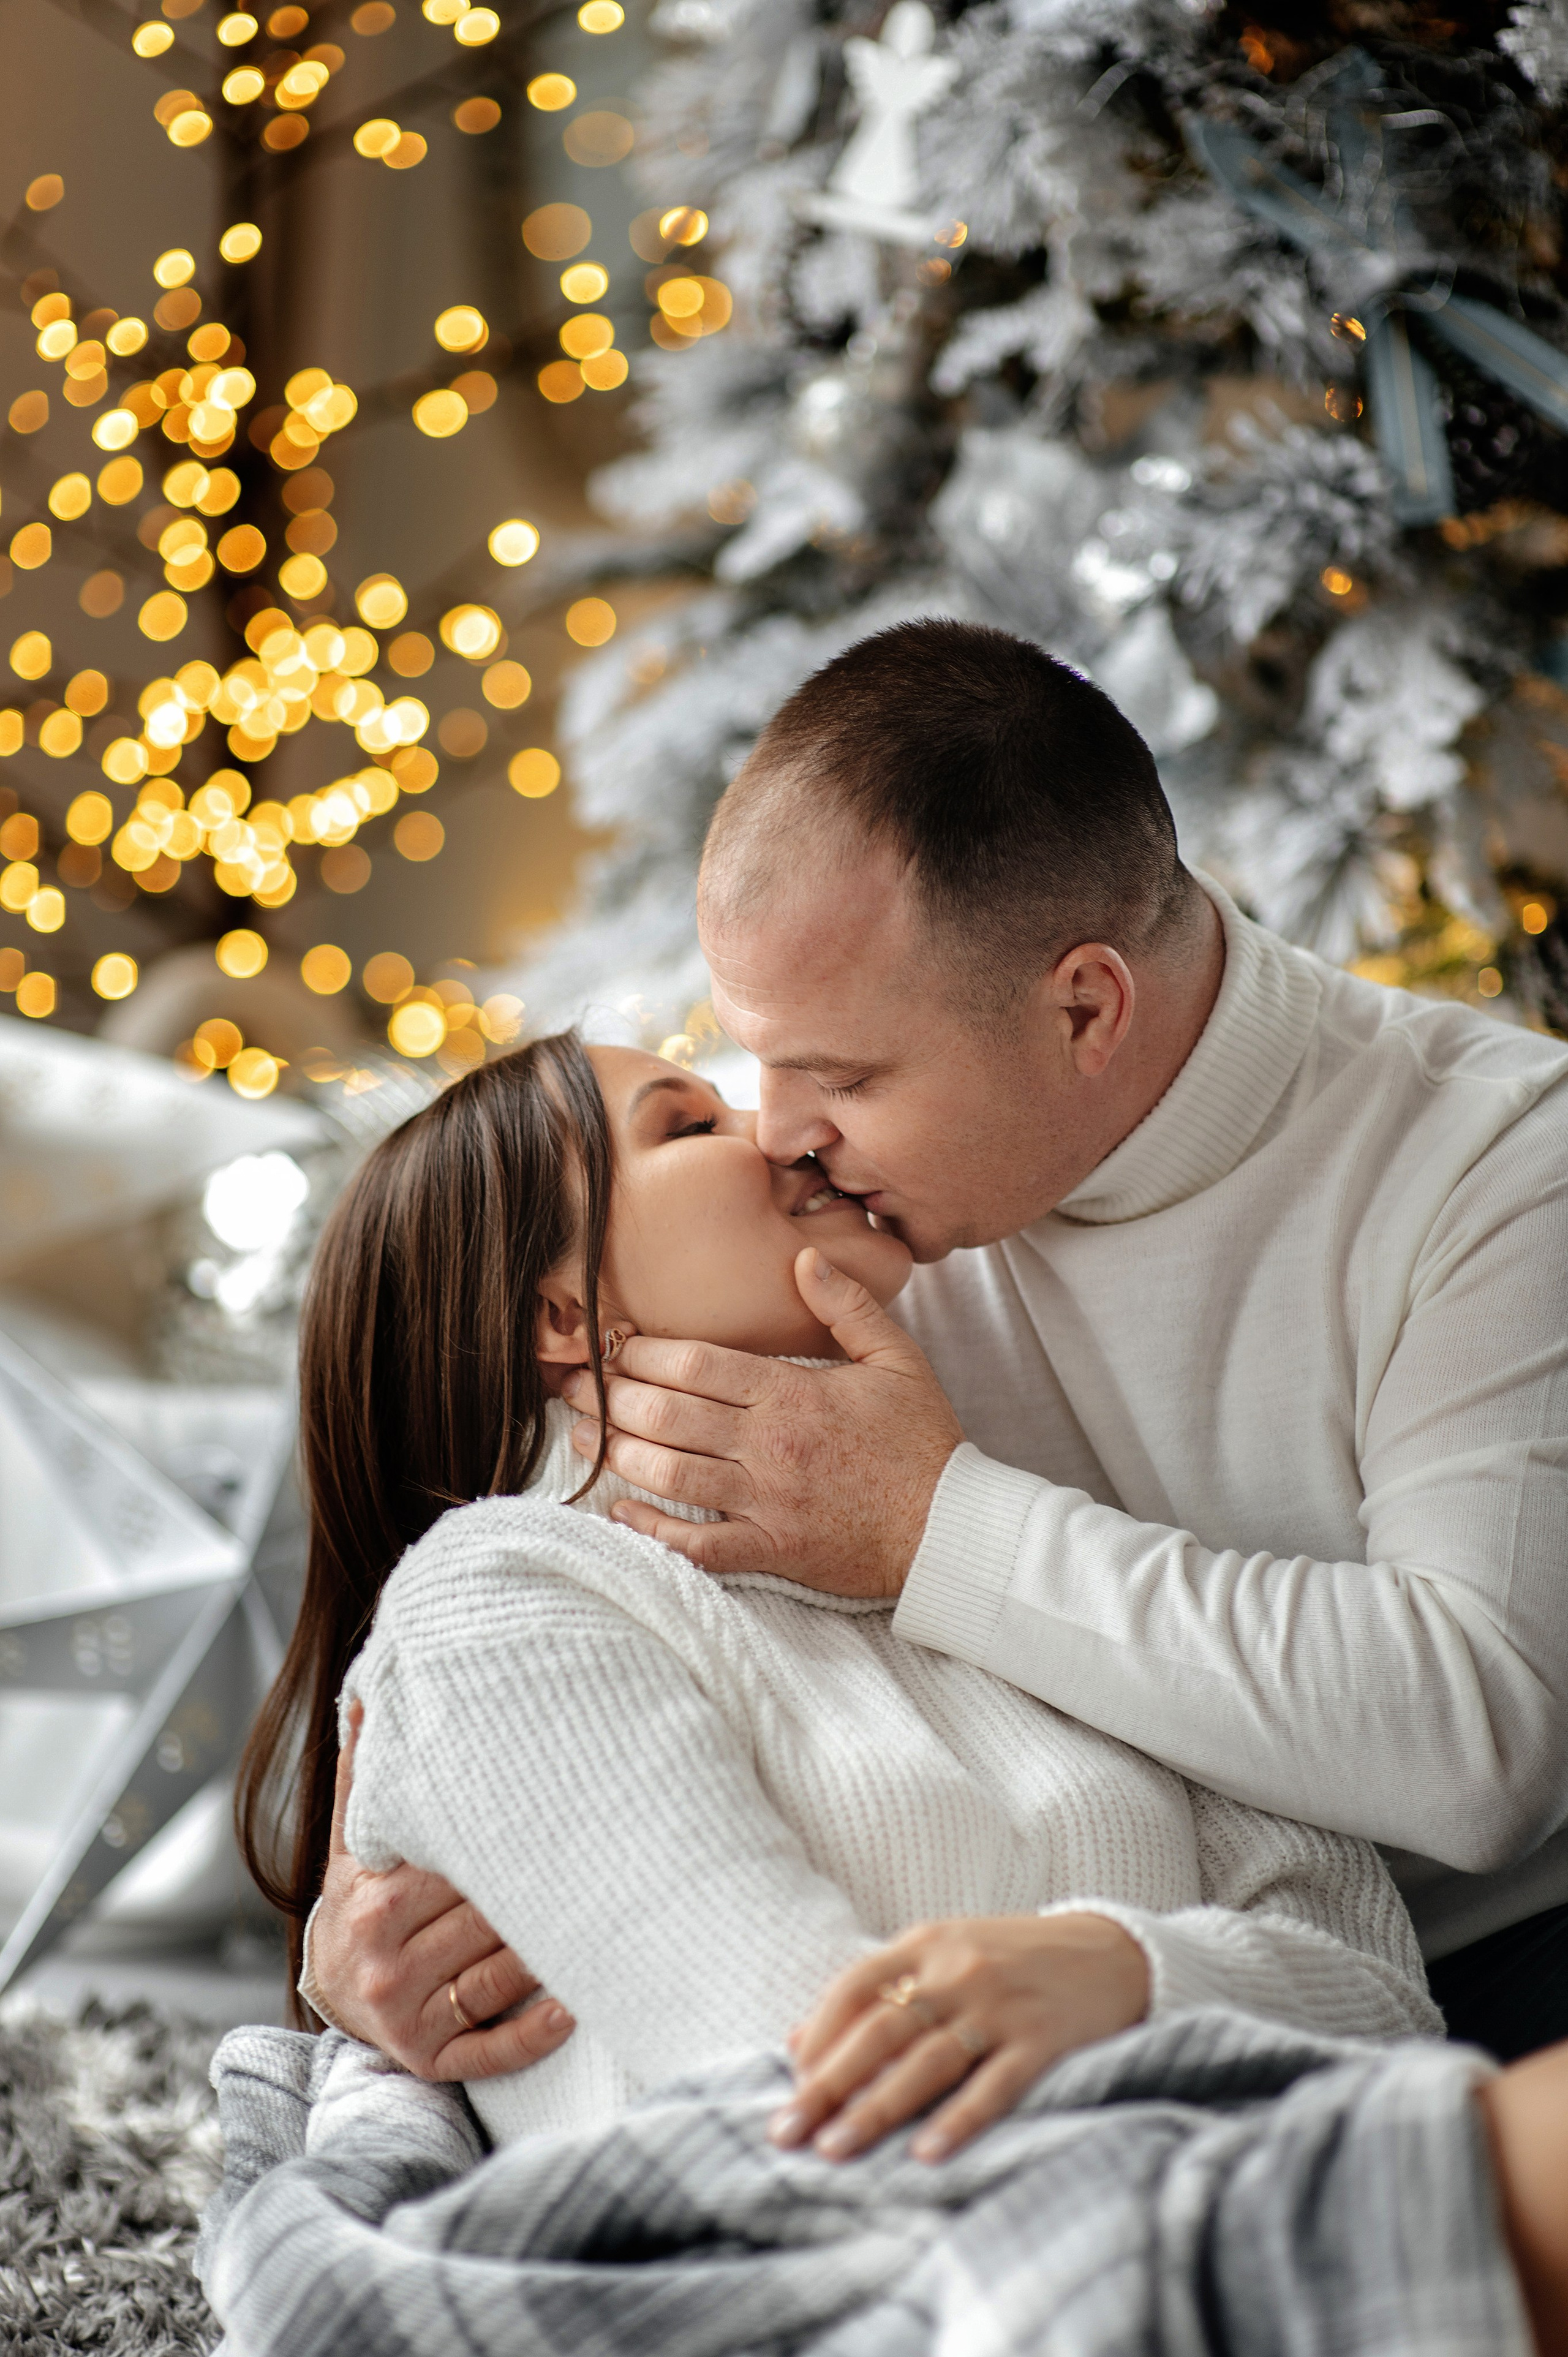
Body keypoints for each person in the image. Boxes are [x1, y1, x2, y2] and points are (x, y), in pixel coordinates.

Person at [232, 1029, 1568, 2356]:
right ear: (560, 1315)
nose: (771, 1129)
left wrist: (1117, 1970)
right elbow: (804, 2091)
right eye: (687, 1123)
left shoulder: (1002, 1542)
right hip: (977, 2273)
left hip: (1247, 2215)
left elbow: (1383, 2003)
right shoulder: (504, 1595)